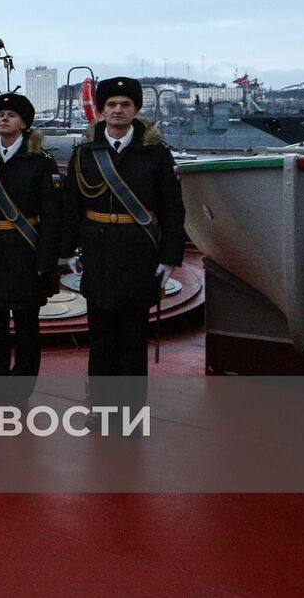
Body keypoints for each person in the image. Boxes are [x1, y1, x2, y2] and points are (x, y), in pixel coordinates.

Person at [60, 77, 185, 426]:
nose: (118, 110)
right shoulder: (85, 153)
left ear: (136, 110)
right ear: (101, 110)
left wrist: (170, 257)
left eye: (125, 104)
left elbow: (172, 209)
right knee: (101, 338)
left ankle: (129, 415)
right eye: (112, 104)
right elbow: (70, 206)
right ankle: (101, 411)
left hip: (139, 254)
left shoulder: (156, 154)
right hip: (98, 253)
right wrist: (68, 250)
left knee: (132, 340)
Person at [0, 93, 60, 404]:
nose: (3, 119)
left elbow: (52, 215)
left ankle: (20, 391)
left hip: (26, 250)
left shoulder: (41, 161)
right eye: (0, 114)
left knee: (26, 326)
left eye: (11, 115)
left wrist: (47, 260)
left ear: (24, 123)